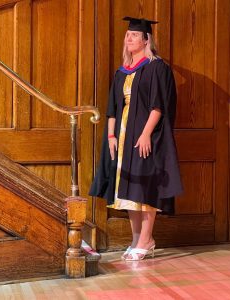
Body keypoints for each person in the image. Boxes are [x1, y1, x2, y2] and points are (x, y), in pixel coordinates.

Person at [89, 17, 183, 261]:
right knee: (128, 190)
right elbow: (112, 108)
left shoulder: (156, 68)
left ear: (146, 39)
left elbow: (158, 106)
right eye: (127, 35)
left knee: (145, 187)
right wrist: (110, 135)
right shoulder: (122, 72)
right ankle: (136, 239)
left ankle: (147, 239)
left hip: (145, 136)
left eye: (133, 35)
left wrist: (145, 134)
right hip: (121, 136)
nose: (128, 39)